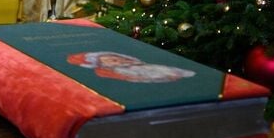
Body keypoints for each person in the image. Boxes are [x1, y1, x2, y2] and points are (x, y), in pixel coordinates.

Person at [67, 51, 196, 83]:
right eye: (113, 61)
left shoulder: (144, 65)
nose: (119, 60)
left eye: (117, 58)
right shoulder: (120, 72)